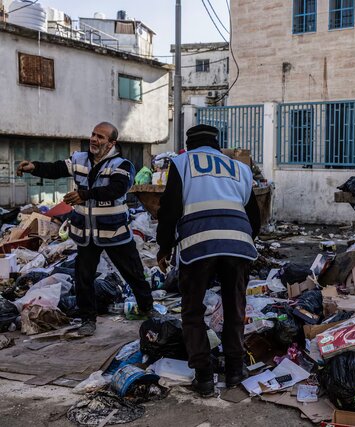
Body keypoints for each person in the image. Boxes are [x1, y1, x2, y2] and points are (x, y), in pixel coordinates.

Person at [16, 122, 155, 336]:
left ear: (111, 143)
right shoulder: (79, 159)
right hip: (85, 234)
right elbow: (56, 169)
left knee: (134, 272)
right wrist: (34, 167)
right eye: (93, 134)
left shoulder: (123, 165)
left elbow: (115, 189)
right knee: (84, 278)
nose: (94, 139)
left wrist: (85, 195)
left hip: (114, 233)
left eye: (100, 137)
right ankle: (87, 320)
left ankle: (147, 308)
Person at [156, 124, 260, 396]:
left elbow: (169, 209)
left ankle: (203, 376)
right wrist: (242, 239)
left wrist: (164, 247)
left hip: (198, 244)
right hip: (238, 243)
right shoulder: (239, 168)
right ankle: (236, 370)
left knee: (192, 310)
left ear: (189, 145)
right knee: (234, 306)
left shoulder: (181, 162)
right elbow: (254, 215)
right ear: (217, 145)